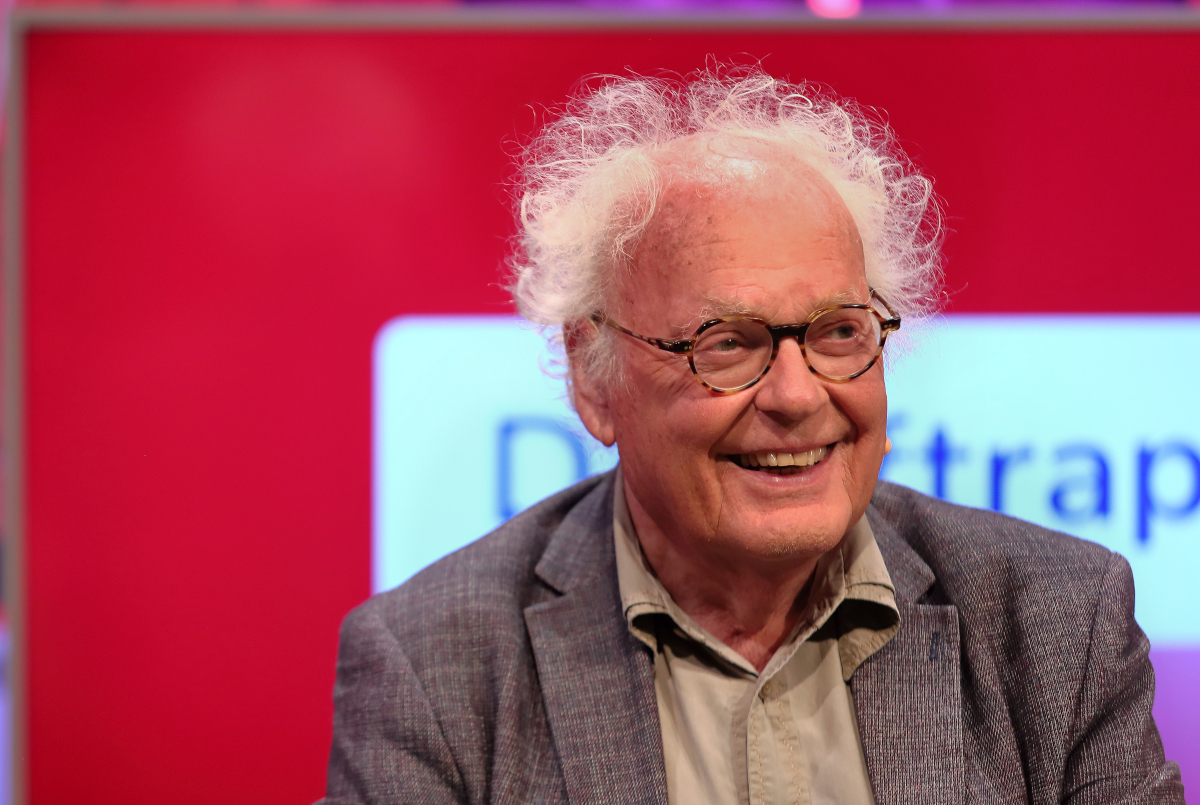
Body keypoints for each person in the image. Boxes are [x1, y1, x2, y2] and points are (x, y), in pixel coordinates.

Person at [318, 68, 1184, 804]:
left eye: (839, 332)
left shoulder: (1057, 623)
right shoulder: (434, 667)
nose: (798, 395)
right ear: (593, 377)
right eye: (726, 344)